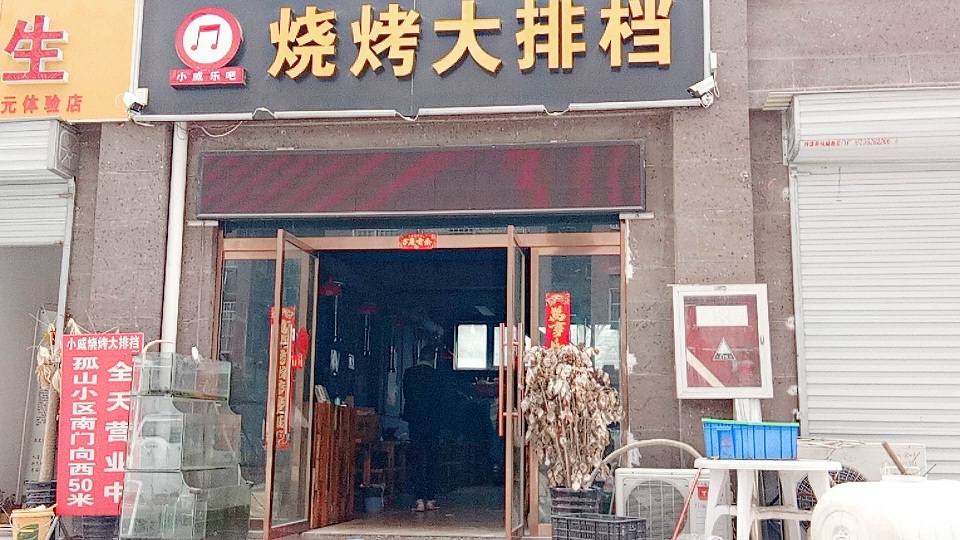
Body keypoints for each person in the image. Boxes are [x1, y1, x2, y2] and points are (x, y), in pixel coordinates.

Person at [402, 347, 443, 512]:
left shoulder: (409, 373)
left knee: (417, 458)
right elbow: (442, 400)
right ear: (432, 358)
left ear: (419, 356)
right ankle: (431, 499)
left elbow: (407, 396)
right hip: (433, 422)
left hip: (415, 421)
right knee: (432, 458)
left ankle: (419, 499)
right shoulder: (437, 376)